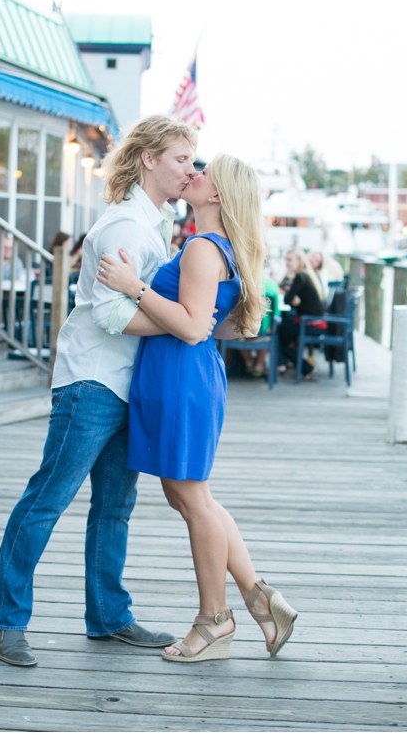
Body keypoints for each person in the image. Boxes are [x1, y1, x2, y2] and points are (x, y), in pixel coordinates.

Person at [0, 114, 198, 667]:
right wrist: (179, 319)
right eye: (180, 159)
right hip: (92, 382)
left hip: (128, 385)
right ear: (149, 159)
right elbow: (110, 314)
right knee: (48, 498)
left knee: (115, 508)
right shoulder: (126, 227)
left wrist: (170, 310)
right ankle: (5, 617)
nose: (190, 170)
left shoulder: (154, 224)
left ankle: (108, 617)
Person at [97, 154, 298, 662]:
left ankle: (215, 621)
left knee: (193, 500)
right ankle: (259, 598)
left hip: (180, 377)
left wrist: (134, 287)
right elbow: (229, 326)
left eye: (204, 171)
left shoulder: (202, 248)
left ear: (217, 196)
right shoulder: (222, 249)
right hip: (188, 375)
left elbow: (190, 326)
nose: (194, 172)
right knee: (192, 497)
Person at [278, 247, 326, 377]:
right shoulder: (308, 274)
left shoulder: (300, 277)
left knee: (277, 335)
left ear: (299, 261)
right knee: (283, 332)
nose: (287, 262)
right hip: (315, 322)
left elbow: (287, 299)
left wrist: (293, 298)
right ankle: (285, 364)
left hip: (310, 324)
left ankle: (305, 367)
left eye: (290, 260)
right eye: (286, 259)